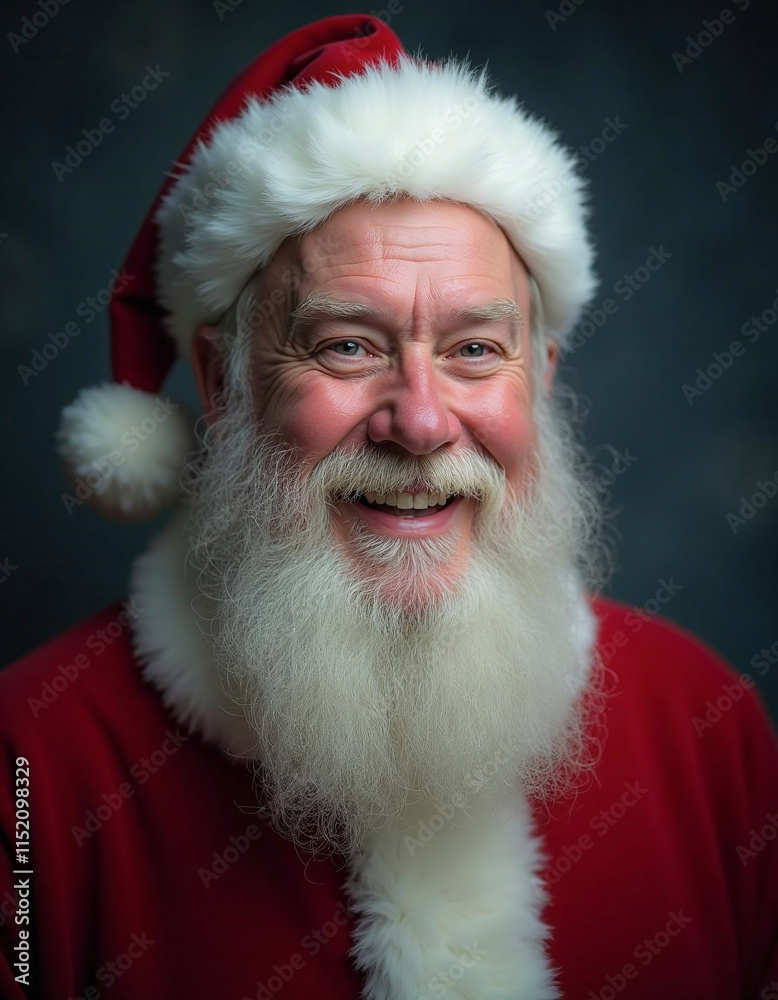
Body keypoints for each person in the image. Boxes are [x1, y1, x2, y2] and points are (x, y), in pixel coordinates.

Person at [1, 13, 776, 1000]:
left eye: (474, 350)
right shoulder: (30, 761)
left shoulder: (707, 726)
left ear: (540, 377)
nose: (419, 422)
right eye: (347, 346)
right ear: (223, 379)